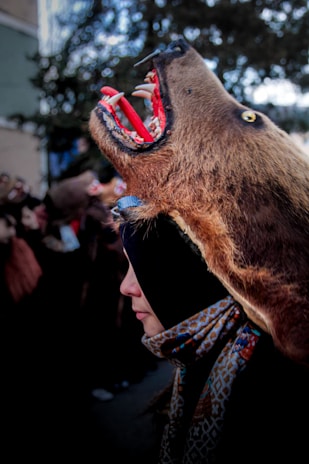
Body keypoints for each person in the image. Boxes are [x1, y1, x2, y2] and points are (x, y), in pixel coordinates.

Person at [117, 201, 309, 463]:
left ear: (185, 271)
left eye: (139, 267)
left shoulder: (265, 386)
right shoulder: (207, 355)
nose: (125, 287)